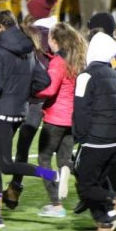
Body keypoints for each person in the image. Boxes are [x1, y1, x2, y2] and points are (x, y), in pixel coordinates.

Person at [0, 10, 56, 228]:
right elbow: (44, 79)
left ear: (0, 26)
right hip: (19, 111)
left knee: (5, 164)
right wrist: (24, 92)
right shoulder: (28, 48)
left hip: (3, 110)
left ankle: (49, 174)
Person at [73, 31, 116, 231]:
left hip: (95, 140)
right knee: (96, 183)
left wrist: (80, 136)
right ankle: (105, 230)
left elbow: (81, 110)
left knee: (85, 187)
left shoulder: (85, 76)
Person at [35, 22, 85, 217]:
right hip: (71, 120)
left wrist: (32, 90)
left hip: (55, 119)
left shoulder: (58, 62)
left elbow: (50, 89)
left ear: (55, 41)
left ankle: (56, 205)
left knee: (43, 159)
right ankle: (91, 192)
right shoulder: (77, 60)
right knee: (66, 161)